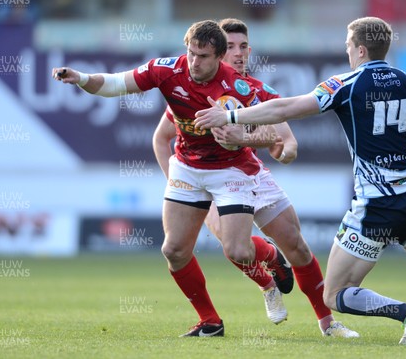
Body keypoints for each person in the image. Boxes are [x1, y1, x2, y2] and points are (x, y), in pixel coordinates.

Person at [195, 16, 406, 345]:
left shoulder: (345, 84)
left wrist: (231, 115)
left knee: (334, 294)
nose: (348, 51)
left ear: (361, 50)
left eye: (349, 46)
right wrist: (392, 135)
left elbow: (289, 107)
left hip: (375, 206)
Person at [52, 20, 295, 338]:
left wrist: (244, 134)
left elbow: (276, 131)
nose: (194, 62)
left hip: (230, 170)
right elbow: (114, 84)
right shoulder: (168, 70)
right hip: (187, 167)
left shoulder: (238, 87)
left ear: (219, 57)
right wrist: (80, 78)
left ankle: (271, 255)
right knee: (174, 250)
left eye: (204, 56)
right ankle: (210, 321)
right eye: (191, 53)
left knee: (238, 251)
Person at [153, 18, 358, 337]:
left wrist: (243, 138)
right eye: (230, 46)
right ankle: (263, 285)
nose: (238, 53)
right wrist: (179, 186)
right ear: (217, 53)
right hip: (205, 180)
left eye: (243, 46)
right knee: (234, 247)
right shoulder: (194, 90)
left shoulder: (260, 94)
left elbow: (287, 148)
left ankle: (327, 322)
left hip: (250, 174)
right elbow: (161, 138)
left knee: (298, 247)